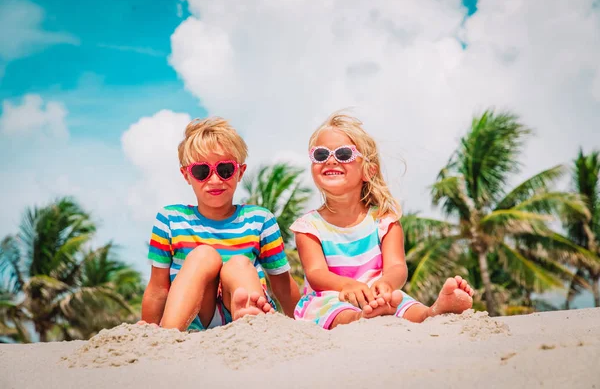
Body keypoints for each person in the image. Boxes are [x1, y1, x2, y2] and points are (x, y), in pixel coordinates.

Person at [291, 112, 474, 329]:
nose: (331, 159)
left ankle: (432, 312)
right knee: (335, 309)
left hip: (378, 294)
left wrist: (386, 283)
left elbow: (397, 266)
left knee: (401, 301)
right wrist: (348, 286)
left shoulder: (384, 221)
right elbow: (316, 274)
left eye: (343, 154)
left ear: (368, 170)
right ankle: (361, 319)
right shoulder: (309, 226)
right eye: (320, 155)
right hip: (332, 296)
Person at [141, 117, 300, 331]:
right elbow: (158, 288)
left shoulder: (260, 220)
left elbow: (282, 284)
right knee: (203, 256)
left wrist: (302, 326)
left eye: (225, 169)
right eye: (201, 171)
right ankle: (167, 335)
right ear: (187, 175)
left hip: (240, 304)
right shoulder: (170, 219)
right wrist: (147, 330)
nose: (215, 180)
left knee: (239, 265)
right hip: (191, 317)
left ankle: (252, 324)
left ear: (240, 172)